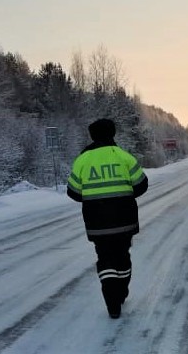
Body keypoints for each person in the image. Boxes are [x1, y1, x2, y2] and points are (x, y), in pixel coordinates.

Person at [67, 118, 148, 319]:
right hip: (124, 220)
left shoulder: (82, 160)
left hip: (97, 223)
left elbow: (73, 192)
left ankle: (112, 303)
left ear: (92, 135)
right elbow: (141, 185)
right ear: (113, 133)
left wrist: (93, 198)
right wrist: (123, 197)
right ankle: (121, 291)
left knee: (105, 258)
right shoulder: (123, 156)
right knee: (122, 256)